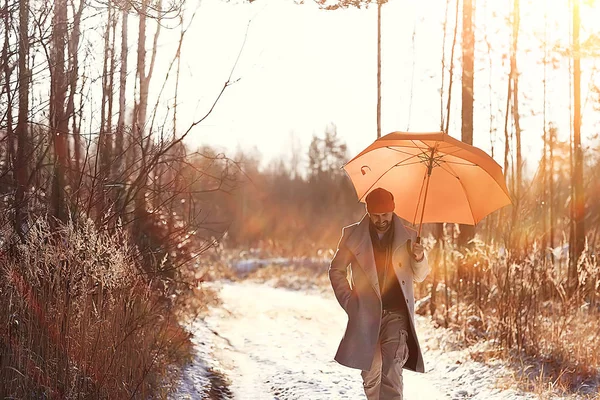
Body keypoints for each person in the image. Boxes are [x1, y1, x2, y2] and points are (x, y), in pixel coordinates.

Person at [329, 187, 430, 400]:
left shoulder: (410, 235)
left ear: (392, 211)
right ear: (368, 212)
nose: (381, 220)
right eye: (375, 215)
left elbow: (419, 276)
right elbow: (336, 270)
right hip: (366, 313)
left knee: (393, 367)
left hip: (397, 314)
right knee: (371, 371)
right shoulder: (352, 235)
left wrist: (419, 258)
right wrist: (349, 302)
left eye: (385, 215)